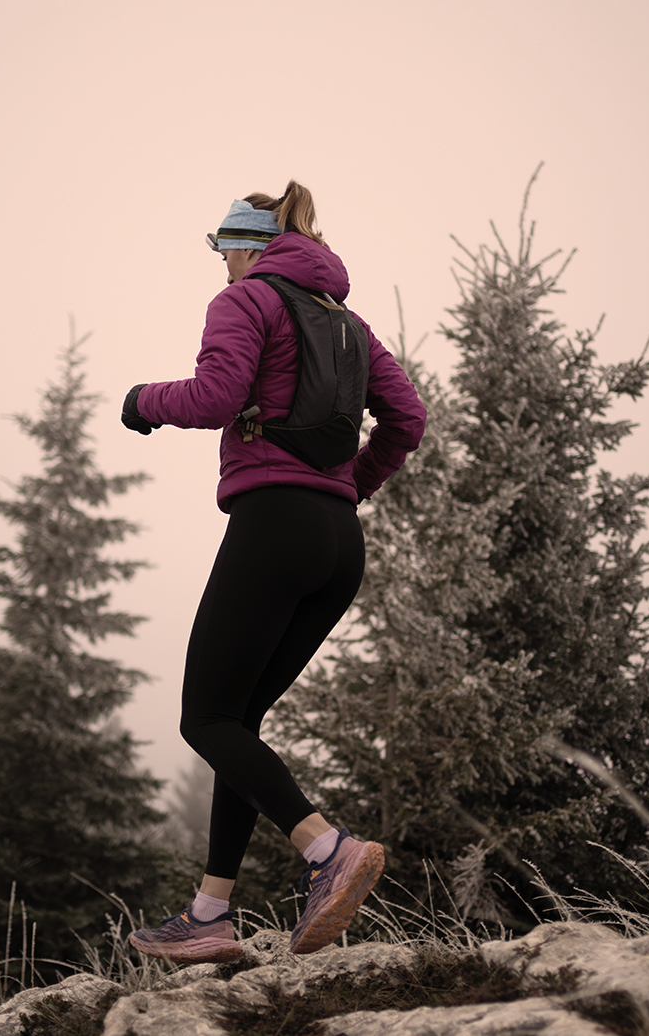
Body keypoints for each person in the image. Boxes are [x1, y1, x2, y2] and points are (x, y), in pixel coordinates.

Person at [120, 181, 426, 961]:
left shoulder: (246, 301)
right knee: (238, 723)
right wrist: (353, 484)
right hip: (337, 544)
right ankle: (210, 913)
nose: (220, 266)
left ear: (247, 245)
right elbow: (409, 417)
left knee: (205, 718)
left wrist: (142, 400)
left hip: (274, 526)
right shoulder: (349, 323)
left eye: (223, 249)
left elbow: (216, 394)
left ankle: (329, 851)